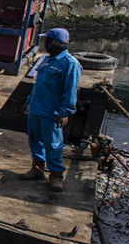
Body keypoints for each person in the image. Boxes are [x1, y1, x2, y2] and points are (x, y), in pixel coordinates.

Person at [18, 28, 82, 192]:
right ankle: (37, 169)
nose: (45, 45)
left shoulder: (70, 64)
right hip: (36, 108)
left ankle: (56, 175)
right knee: (35, 140)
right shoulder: (45, 60)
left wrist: (64, 112)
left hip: (51, 112)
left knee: (53, 145)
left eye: (47, 41)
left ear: (56, 43)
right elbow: (38, 84)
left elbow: (70, 91)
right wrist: (29, 102)